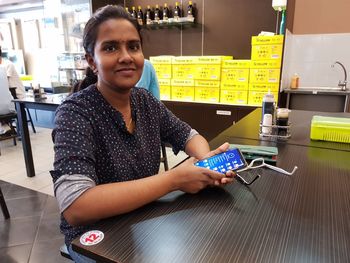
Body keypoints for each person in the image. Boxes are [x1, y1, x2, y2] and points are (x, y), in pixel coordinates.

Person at [51, 5, 234, 262]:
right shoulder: (75, 113)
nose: (126, 56)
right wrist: (174, 179)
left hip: (143, 219)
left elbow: (188, 135)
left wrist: (207, 165)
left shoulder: (144, 100)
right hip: (95, 238)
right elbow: (76, 206)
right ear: (92, 60)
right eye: (111, 47)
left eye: (133, 46)